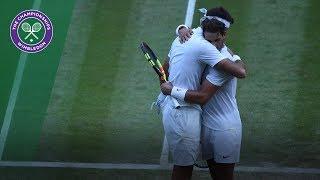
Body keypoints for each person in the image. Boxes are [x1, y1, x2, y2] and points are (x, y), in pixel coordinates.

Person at [158, 7, 246, 180]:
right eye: (209, 41)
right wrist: (181, 28)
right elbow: (166, 71)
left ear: (224, 34)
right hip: (204, 125)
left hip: (224, 129)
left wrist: (170, 89)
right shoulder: (201, 46)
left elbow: (204, 96)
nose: (211, 46)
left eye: (216, 41)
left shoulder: (222, 60)